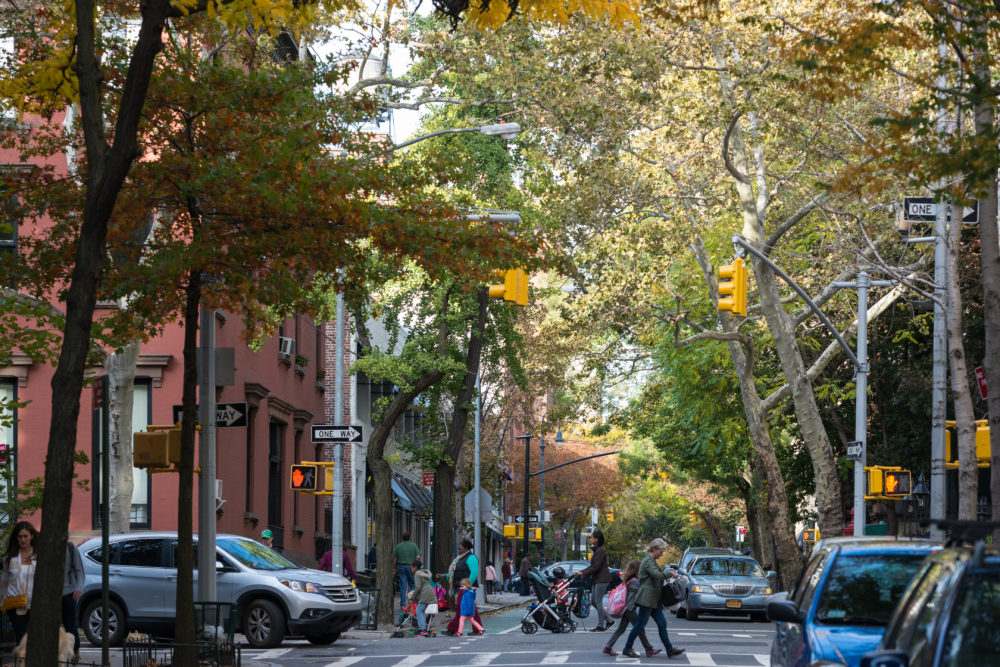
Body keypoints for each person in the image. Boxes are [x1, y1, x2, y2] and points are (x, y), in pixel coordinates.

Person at [620, 538, 685, 659]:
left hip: (653, 600)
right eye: (660, 552)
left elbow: (656, 575)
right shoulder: (648, 561)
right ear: (654, 549)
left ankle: (670, 649)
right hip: (647, 598)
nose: (662, 554)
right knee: (640, 625)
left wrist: (667, 572)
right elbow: (657, 576)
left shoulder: (650, 561)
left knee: (662, 623)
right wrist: (670, 573)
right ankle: (627, 648)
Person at [603, 560, 657, 657]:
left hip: (627, 609)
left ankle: (608, 647)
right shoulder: (635, 582)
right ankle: (648, 649)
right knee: (639, 628)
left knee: (621, 629)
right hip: (629, 609)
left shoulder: (630, 580)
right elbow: (644, 590)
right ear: (636, 570)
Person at [0, 520, 38, 643]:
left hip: (35, 604)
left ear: (32, 536)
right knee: (21, 637)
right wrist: (1, 602)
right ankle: (22, 661)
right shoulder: (10, 557)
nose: (23, 540)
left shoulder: (39, 555)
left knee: (34, 638)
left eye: (25, 536)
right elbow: (4, 581)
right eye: (20, 536)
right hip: (15, 603)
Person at [573, 528, 613, 631]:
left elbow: (596, 567)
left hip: (602, 579)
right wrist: (581, 572)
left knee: (598, 601)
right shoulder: (597, 550)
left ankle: (600, 625)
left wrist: (582, 572)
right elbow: (592, 566)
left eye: (591, 538)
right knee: (594, 601)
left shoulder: (600, 551)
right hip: (597, 579)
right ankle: (609, 620)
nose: (590, 539)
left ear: (596, 539)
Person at [445, 539, 482, 635]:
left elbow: (474, 573)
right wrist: (445, 576)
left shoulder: (471, 558)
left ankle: (453, 629)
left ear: (466, 548)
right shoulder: (460, 559)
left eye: (460, 548)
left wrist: (467, 586)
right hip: (463, 587)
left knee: (460, 607)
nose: (458, 550)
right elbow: (456, 573)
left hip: (466, 588)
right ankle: (478, 629)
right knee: (471, 609)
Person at [63, 539, 85, 661]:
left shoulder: (71, 548)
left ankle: (75, 651)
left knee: (70, 625)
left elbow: (79, 570)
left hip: (69, 593)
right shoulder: (45, 546)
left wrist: (79, 588)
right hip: (50, 594)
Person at [393, 531, 420, 609]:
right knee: (412, 584)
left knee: (403, 586)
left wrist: (394, 568)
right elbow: (418, 557)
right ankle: (411, 603)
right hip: (412, 567)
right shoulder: (413, 546)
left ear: (402, 538)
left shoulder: (398, 546)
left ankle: (403, 604)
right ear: (409, 538)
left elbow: (395, 559)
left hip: (401, 567)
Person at [411, 565, 437, 636]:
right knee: (422, 610)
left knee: (419, 610)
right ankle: (424, 628)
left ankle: (422, 629)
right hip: (431, 592)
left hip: (424, 594)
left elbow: (418, 587)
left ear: (415, 567)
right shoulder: (425, 573)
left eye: (412, 568)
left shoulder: (417, 574)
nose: (411, 570)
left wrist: (413, 596)